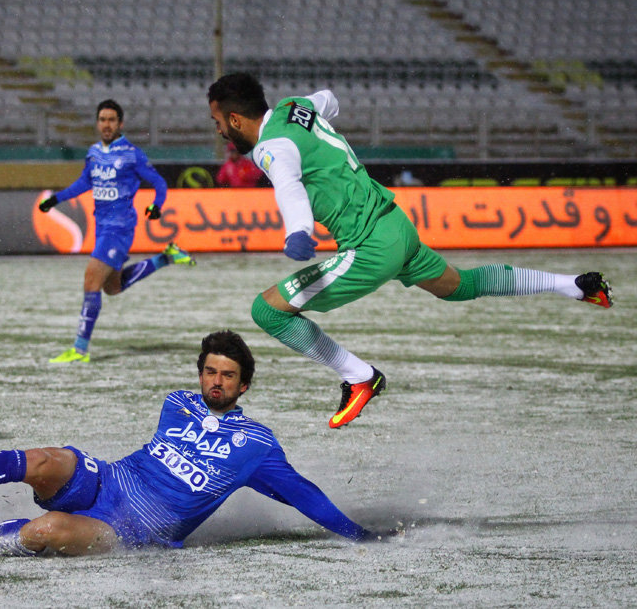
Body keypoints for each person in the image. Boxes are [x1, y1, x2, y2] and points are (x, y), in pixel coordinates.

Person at [206, 73, 614, 429]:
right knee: (460, 285)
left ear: (236, 118)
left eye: (219, 122)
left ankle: (360, 377)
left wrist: (297, 232)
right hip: (396, 225)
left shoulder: (269, 147)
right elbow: (328, 98)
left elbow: (290, 188)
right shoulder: (295, 107)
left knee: (268, 310)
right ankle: (575, 285)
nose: (220, 131)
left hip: (369, 246)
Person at [0, 330, 390, 556]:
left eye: (228, 376)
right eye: (210, 371)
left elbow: (300, 494)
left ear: (244, 385)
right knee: (45, 459)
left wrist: (359, 536)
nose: (216, 381)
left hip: (133, 530)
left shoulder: (255, 444)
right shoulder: (177, 402)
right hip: (109, 479)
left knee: (49, 529)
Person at [38, 99, 196, 363]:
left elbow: (159, 183)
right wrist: (57, 199)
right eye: (102, 119)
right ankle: (166, 257)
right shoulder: (93, 152)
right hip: (101, 228)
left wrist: (157, 206)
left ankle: (79, 350)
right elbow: (84, 183)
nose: (106, 124)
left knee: (91, 281)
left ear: (120, 123)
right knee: (112, 287)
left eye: (111, 120)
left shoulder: (132, 154)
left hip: (119, 228)